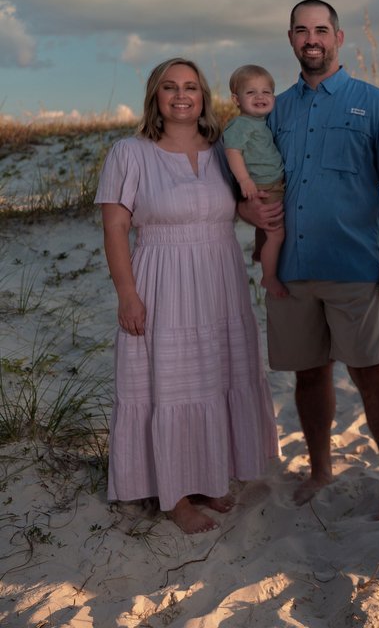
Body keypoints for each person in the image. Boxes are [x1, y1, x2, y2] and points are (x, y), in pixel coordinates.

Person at [241, 0, 379, 520]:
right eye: (301, 30)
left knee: (372, 375)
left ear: (339, 38)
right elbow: (259, 182)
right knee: (309, 376)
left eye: (321, 29)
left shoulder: (375, 104)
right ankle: (321, 469)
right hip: (291, 270)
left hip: (355, 267)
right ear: (290, 39)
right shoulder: (274, 110)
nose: (311, 38)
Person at [97, 57, 278, 534]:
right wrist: (127, 294)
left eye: (192, 87)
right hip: (163, 282)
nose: (182, 95)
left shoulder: (224, 149)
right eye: (170, 87)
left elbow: (227, 208)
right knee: (171, 385)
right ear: (155, 96)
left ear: (204, 96)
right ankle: (174, 495)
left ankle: (210, 476)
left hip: (220, 278)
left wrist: (258, 220)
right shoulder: (129, 153)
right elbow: (115, 229)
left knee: (216, 377)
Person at [223, 64, 287, 298]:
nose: (260, 97)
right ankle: (269, 278)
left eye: (266, 92)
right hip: (261, 185)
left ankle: (260, 252)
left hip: (272, 182)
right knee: (277, 233)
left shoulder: (260, 122)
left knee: (266, 228)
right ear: (236, 99)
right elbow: (232, 151)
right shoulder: (240, 124)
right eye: (251, 93)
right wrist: (245, 180)